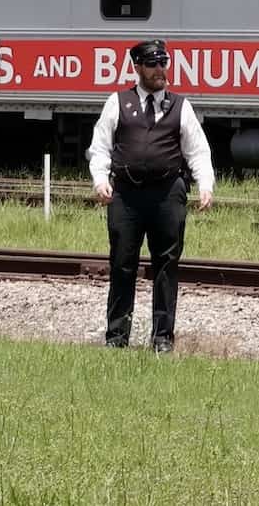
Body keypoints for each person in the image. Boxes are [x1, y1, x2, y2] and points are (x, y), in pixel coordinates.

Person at [87, 38, 213, 352]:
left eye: (163, 63)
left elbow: (197, 150)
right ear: (138, 67)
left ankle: (162, 339)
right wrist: (100, 179)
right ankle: (117, 337)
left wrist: (205, 184)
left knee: (166, 265)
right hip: (126, 196)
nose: (160, 70)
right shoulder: (118, 102)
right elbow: (100, 147)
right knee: (122, 264)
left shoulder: (181, 106)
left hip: (167, 194)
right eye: (153, 64)